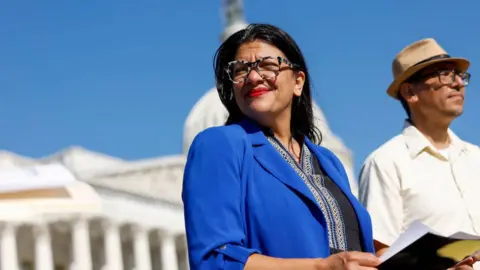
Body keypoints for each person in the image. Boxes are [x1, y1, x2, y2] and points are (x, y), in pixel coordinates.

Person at [182, 23, 380, 270]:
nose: (254, 77)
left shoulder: (329, 162)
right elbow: (215, 259)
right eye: (241, 70)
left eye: (268, 65)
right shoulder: (220, 145)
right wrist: (321, 267)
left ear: (298, 82)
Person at [358, 38, 480, 269]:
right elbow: (381, 255)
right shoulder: (385, 162)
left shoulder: (477, 158)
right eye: (444, 75)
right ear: (410, 91)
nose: (458, 84)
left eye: (459, 76)